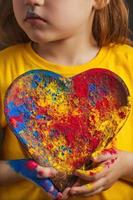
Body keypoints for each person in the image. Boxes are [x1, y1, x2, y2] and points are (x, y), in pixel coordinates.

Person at [0, 0, 133, 200]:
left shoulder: (128, 64)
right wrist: (19, 170)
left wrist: (126, 166)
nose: (32, 0)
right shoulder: (4, 68)